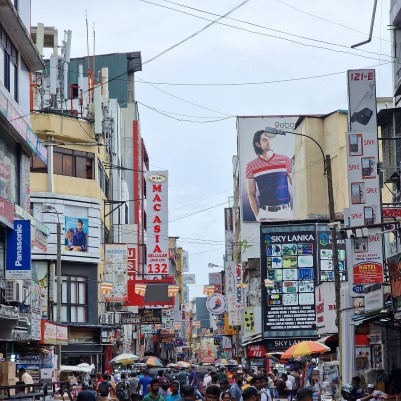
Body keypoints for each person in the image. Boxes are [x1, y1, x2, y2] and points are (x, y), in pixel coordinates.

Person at [245, 129, 293, 221]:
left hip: (286, 212)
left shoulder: (285, 160)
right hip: (266, 213)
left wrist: (295, 211)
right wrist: (257, 216)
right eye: (264, 139)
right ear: (258, 144)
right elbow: (251, 194)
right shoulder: (251, 166)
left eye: (269, 139)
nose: (268, 141)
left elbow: (296, 186)